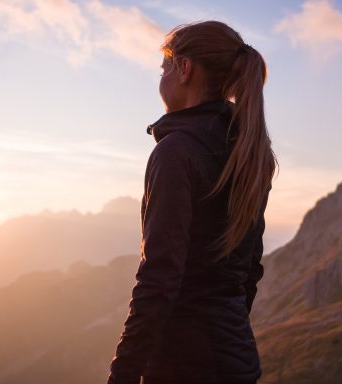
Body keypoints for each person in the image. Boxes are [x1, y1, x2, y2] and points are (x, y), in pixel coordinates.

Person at [106, 20, 278, 384]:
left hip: (181, 365)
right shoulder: (249, 154)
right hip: (236, 359)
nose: (161, 77)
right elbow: (249, 270)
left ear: (184, 69)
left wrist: (122, 375)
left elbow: (159, 278)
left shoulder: (176, 151)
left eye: (165, 66)